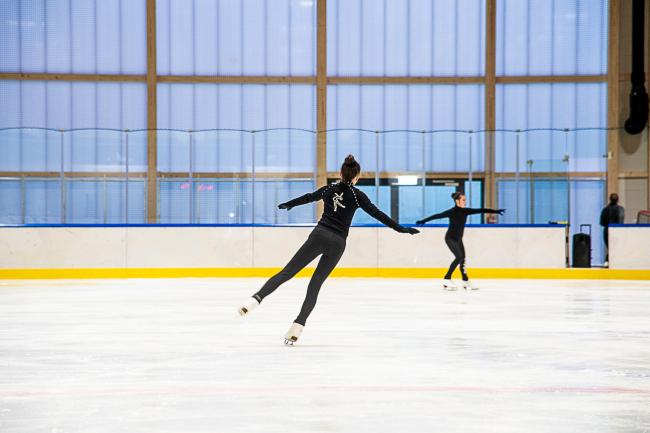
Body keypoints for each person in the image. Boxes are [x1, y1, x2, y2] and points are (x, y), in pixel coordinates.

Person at [238, 155, 420, 345]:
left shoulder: (329, 189)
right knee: (315, 285)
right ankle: (297, 328)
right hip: (338, 243)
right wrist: (400, 229)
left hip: (320, 235)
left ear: (341, 173)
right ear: (357, 177)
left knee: (287, 272)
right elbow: (378, 214)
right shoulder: (359, 196)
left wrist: (289, 204)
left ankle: (254, 300)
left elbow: (309, 198)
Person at [416, 192, 505, 290]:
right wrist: (423, 220)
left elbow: (481, 210)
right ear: (457, 201)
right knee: (458, 257)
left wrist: (496, 211)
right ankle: (447, 278)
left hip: (458, 239)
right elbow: (437, 215)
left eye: (465, 200)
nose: (465, 202)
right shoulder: (452, 211)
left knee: (463, 259)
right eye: (463, 200)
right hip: (450, 238)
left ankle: (465, 281)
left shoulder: (466, 211)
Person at [599, 193, 625, 264]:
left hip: (607, 231)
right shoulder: (621, 209)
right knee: (614, 248)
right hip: (617, 232)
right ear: (618, 200)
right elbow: (621, 222)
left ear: (609, 199)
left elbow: (601, 222)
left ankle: (607, 261)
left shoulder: (605, 210)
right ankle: (610, 262)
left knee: (610, 248)